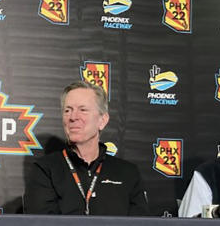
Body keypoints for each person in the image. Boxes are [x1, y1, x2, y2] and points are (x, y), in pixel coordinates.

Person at [24, 81, 147, 216]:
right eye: (67, 110)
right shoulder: (45, 171)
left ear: (102, 120)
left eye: (83, 110)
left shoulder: (127, 173)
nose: (73, 117)